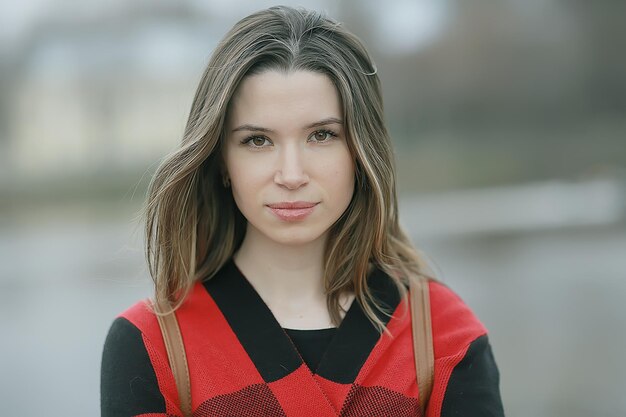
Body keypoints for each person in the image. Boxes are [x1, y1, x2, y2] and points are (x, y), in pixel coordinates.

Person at [101, 5, 504, 417]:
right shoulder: (152, 345)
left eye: (322, 135)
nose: (291, 175)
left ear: (361, 152)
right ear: (222, 160)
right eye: (258, 140)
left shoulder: (442, 334)